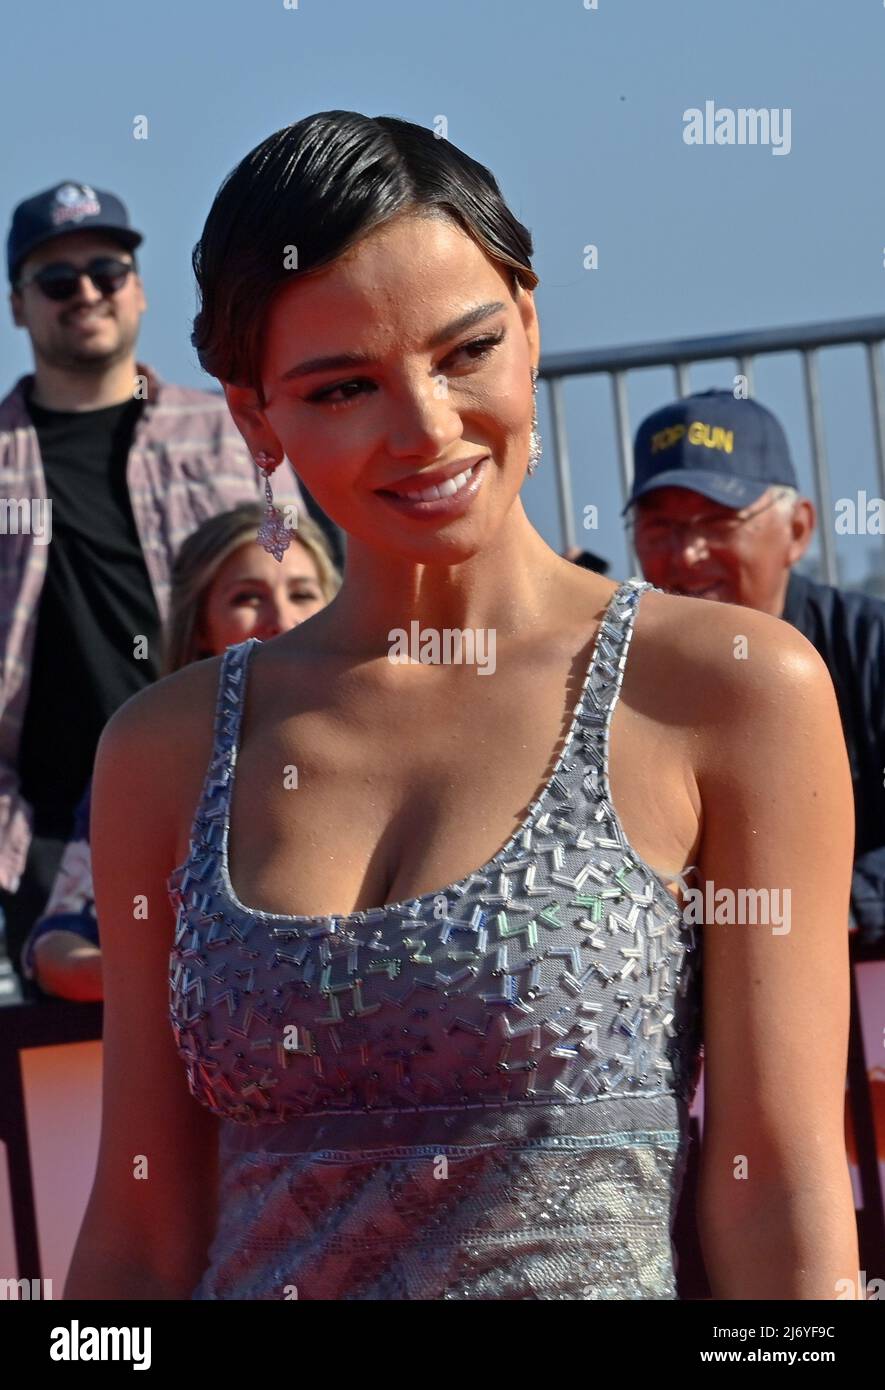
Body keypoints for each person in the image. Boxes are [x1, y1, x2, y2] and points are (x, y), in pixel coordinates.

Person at [68, 113, 858, 1301]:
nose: (427, 428)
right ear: (255, 418)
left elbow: (779, 1190)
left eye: (465, 352)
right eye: (344, 386)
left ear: (530, 325)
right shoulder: (164, 750)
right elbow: (140, 1222)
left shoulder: (730, 691)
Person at [0, 181, 307, 974]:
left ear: (137, 290)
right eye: (57, 281)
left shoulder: (229, 432)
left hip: (229, 793)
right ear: (18, 307)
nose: (88, 294)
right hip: (48, 831)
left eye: (106, 271)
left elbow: (305, 592)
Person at [19, 503, 340, 1002]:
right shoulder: (151, 766)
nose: (282, 619)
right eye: (247, 598)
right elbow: (59, 943)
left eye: (302, 593)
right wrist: (192, 981)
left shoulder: (409, 737)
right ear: (200, 629)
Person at [626, 389, 885, 949]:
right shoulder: (611, 677)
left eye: (717, 522)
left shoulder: (871, 646)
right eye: (661, 526)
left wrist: (839, 902)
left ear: (798, 530)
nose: (687, 554)